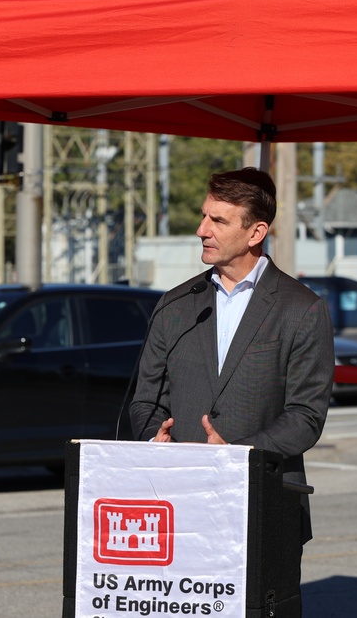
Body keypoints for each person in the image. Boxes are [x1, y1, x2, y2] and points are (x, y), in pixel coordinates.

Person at [128, 166, 335, 582]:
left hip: (264, 507)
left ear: (256, 233)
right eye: (204, 216)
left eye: (218, 220)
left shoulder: (302, 309)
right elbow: (145, 399)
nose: (202, 230)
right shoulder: (175, 304)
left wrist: (236, 457)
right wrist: (156, 440)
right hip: (178, 506)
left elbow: (305, 417)